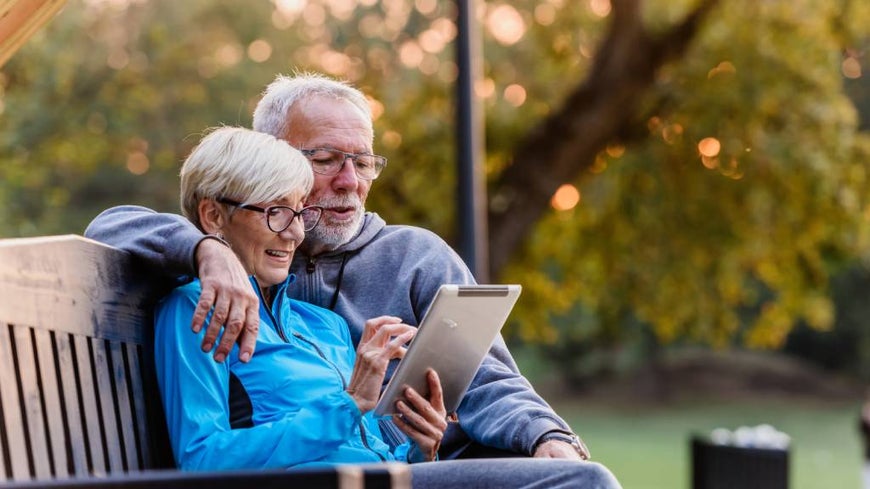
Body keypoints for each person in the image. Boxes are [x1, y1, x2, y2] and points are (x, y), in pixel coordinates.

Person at [85, 72, 588, 461]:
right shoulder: (229, 257)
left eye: (363, 161)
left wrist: (543, 435)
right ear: (274, 162)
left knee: (571, 473)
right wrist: (206, 251)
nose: (350, 181)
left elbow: (487, 378)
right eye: (325, 159)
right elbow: (112, 225)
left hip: (428, 466)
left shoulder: (411, 258)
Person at [156, 125, 621, 489]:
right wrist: (349, 403)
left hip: (388, 480)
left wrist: (422, 446)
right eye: (275, 212)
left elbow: (375, 448)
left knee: (570, 476)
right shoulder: (195, 311)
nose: (294, 233)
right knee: (581, 483)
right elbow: (203, 460)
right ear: (214, 216)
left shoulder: (324, 325)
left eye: (299, 212)